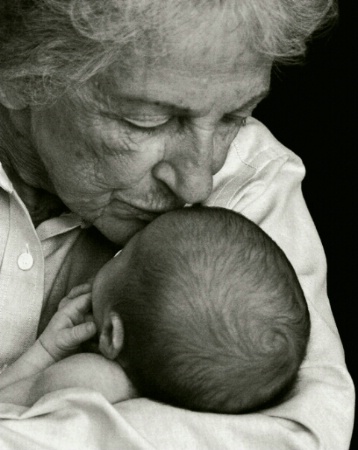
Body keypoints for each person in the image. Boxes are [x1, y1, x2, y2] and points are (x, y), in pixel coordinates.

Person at [0, 0, 354, 449]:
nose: (196, 183)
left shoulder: (249, 180)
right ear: (19, 74)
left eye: (233, 117)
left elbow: (295, 436)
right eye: (149, 121)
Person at [0, 207, 310, 414]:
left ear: (111, 333)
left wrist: (45, 351)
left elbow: (5, 410)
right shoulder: (174, 408)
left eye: (123, 253)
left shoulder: (85, 380)